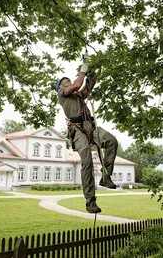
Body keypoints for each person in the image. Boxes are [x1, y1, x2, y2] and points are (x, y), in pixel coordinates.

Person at [55, 58, 118, 213]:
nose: (69, 81)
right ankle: (90, 201)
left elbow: (86, 86)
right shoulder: (62, 94)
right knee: (87, 161)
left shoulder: (78, 96)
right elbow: (78, 84)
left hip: (90, 126)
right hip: (77, 130)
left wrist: (93, 69)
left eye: (69, 79)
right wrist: (82, 71)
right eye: (66, 80)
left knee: (111, 141)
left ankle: (105, 176)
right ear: (61, 86)